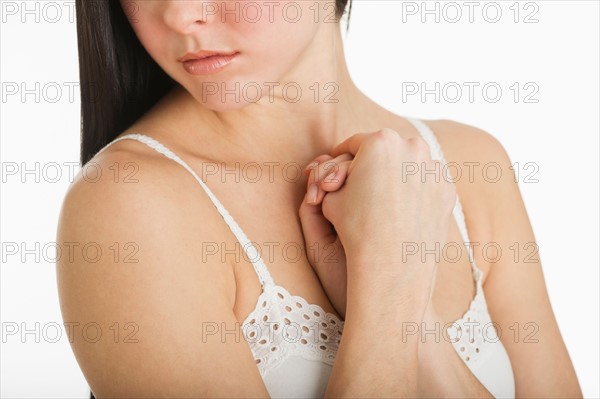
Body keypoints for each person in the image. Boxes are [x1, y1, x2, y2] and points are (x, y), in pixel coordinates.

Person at [56, 0, 583, 397]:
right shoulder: (130, 204)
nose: (180, 14)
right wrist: (388, 287)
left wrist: (416, 328)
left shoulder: (470, 161)